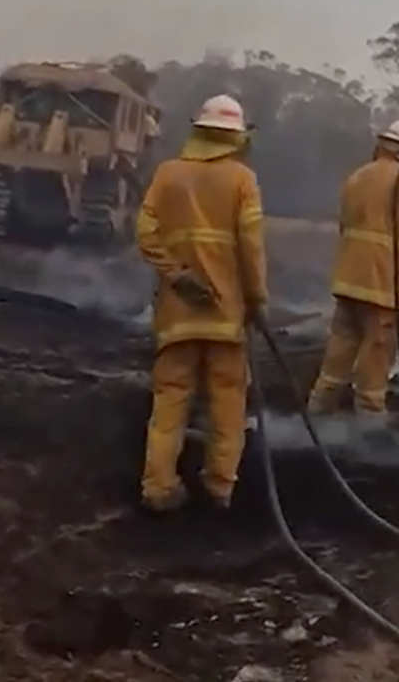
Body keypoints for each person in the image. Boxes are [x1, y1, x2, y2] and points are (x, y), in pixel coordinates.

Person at [135, 94, 268, 513]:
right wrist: (256, 299)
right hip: (226, 318)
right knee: (228, 403)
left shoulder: (167, 174)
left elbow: (145, 233)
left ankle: (158, 489)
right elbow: (251, 248)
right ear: (236, 137)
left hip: (177, 316)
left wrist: (175, 274)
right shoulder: (242, 180)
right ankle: (218, 486)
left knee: (170, 401)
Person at [304, 119, 399, 426]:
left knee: (339, 350)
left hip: (349, 281)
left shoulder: (358, 176)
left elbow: (347, 224)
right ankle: (371, 423)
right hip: (383, 284)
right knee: (377, 354)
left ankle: (317, 413)